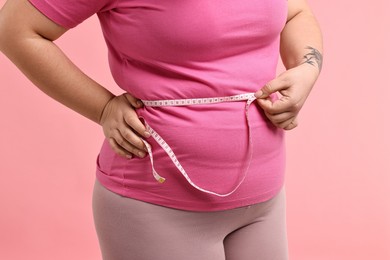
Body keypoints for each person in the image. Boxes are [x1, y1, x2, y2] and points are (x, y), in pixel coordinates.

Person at [0, 0, 322, 259]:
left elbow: (296, 12)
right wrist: (102, 108)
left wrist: (307, 68)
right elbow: (14, 29)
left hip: (263, 205)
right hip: (157, 209)